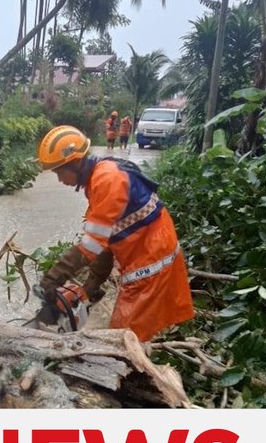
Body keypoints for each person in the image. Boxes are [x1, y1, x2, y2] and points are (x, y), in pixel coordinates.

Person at [35, 125, 194, 340]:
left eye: (59, 172)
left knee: (123, 339)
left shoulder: (107, 180)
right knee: (134, 332)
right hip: (147, 253)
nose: (60, 180)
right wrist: (89, 288)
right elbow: (104, 246)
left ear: (74, 163)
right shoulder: (99, 178)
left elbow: (90, 248)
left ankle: (139, 370)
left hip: (149, 260)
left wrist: (52, 278)